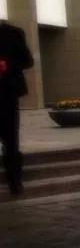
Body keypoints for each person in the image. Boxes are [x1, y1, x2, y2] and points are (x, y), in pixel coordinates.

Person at [0, 21, 33, 195]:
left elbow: (27, 61)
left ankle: (15, 181)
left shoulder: (13, 33)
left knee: (10, 140)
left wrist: (8, 64)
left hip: (7, 95)